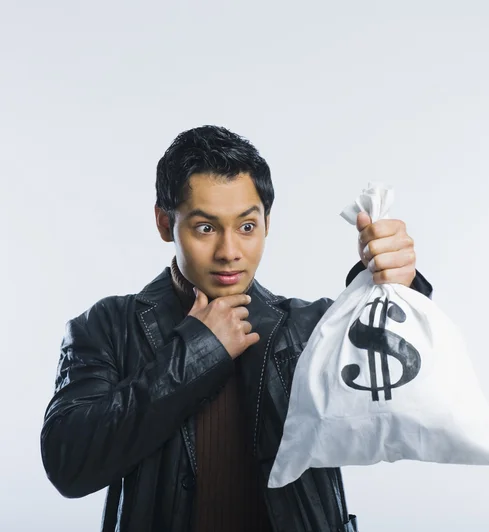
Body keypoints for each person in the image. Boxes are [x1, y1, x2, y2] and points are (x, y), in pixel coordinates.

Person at [40, 125, 433, 532]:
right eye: (205, 228)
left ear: (267, 223)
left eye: (246, 226)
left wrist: (398, 284)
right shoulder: (107, 326)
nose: (229, 252)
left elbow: (404, 384)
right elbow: (69, 463)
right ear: (164, 223)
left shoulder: (309, 328)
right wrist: (199, 350)